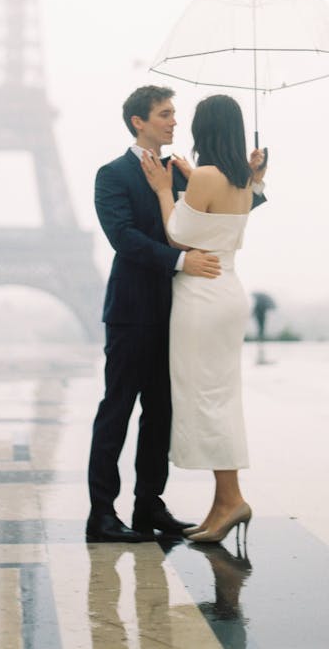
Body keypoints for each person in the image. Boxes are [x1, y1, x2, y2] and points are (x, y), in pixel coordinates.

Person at [86, 85, 222, 543]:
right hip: (131, 311)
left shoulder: (180, 175)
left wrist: (255, 183)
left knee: (161, 412)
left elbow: (220, 215)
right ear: (137, 122)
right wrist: (181, 261)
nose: (173, 121)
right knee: (118, 409)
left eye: (174, 113)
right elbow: (122, 237)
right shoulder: (113, 174)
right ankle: (102, 514)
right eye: (164, 114)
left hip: (175, 311)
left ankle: (148, 506)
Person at [140, 94, 267, 544]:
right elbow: (229, 215)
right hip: (228, 291)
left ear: (204, 128)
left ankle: (231, 500)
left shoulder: (209, 176)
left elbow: (179, 234)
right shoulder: (243, 178)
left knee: (207, 398)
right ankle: (222, 503)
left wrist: (162, 190)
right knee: (221, 395)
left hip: (201, 296)